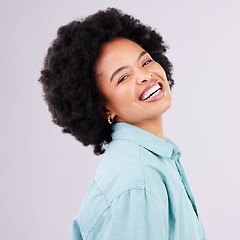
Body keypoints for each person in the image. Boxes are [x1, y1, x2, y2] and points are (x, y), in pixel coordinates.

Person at [38, 8, 206, 240]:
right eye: (123, 77)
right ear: (104, 108)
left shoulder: (157, 159)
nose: (144, 75)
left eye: (146, 61)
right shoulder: (137, 187)